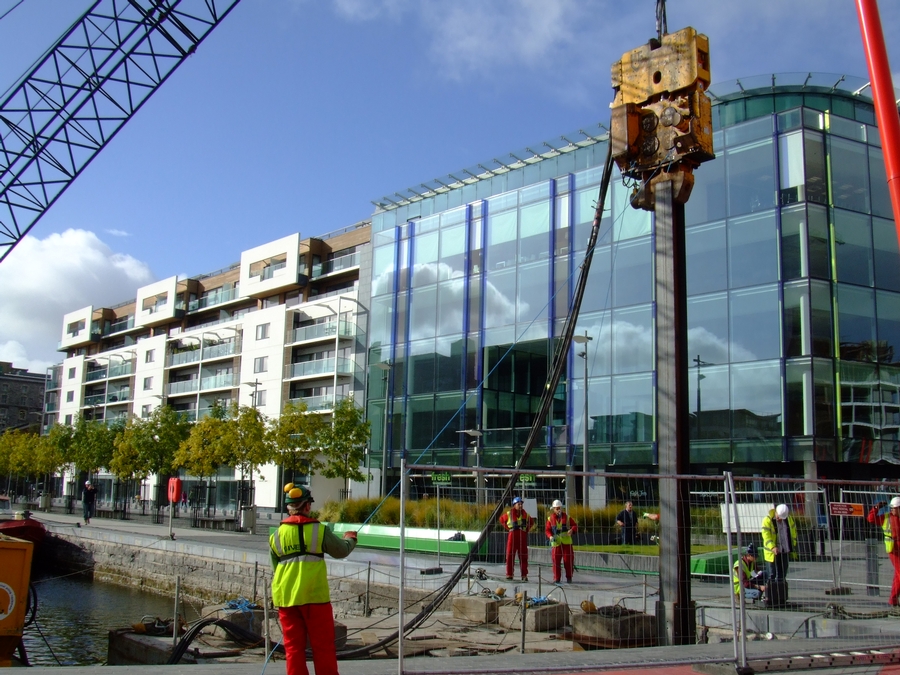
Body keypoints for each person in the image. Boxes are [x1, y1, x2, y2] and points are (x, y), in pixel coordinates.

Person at [270, 483, 357, 675]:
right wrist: (351, 539)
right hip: (315, 597)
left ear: (288, 508)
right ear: (307, 506)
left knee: (293, 649)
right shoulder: (319, 530)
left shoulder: (276, 535)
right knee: (323, 647)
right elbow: (341, 551)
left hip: (286, 598)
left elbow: (276, 567)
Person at [867, 495, 900, 606]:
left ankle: (893, 600)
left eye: (894, 508)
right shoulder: (886, 517)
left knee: (898, 576)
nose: (892, 510)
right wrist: (876, 508)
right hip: (893, 549)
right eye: (891, 508)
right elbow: (871, 518)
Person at [498, 496, 534, 582]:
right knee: (510, 555)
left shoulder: (526, 515)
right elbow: (501, 520)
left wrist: (526, 530)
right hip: (512, 535)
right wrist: (508, 528)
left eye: (521, 504)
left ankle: (524, 575)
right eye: (519, 504)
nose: (520, 505)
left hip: (522, 536)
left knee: (523, 556)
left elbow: (531, 523)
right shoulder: (509, 513)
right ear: (514, 505)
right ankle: (509, 574)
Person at [761, 503, 797, 581]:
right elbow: (766, 536)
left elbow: (793, 532)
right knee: (771, 575)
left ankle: (781, 591)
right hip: (771, 553)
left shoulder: (789, 519)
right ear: (775, 512)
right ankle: (771, 592)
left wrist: (792, 545)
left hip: (784, 550)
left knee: (782, 575)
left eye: (782, 518)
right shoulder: (767, 520)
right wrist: (772, 547)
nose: (780, 519)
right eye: (778, 517)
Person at [545, 499, 578, 584]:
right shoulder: (550, 519)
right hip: (556, 543)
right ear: (553, 509)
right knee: (556, 561)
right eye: (556, 508)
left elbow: (574, 525)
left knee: (568, 561)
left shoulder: (567, 518)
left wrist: (572, 530)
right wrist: (550, 536)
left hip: (567, 543)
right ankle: (557, 578)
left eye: (559, 508)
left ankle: (569, 577)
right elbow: (547, 530)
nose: (558, 510)